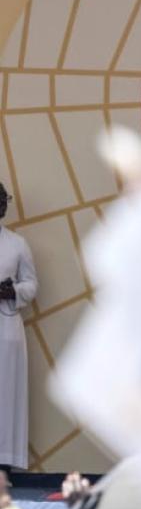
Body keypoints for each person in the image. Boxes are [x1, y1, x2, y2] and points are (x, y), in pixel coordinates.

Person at [0, 183, 36, 473]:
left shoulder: (17, 244)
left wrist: (12, 291)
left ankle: (3, 464)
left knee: (6, 394)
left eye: (2, 200)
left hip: (6, 327)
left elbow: (31, 284)